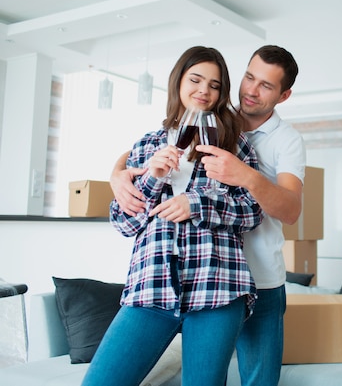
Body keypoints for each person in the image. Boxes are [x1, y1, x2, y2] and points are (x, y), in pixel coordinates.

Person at [110, 45, 304, 386]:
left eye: (266, 86)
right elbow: (126, 214)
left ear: (283, 95)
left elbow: (284, 210)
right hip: (154, 283)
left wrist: (230, 183)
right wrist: (120, 172)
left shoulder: (261, 142)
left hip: (235, 280)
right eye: (248, 78)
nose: (251, 91)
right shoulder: (162, 137)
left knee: (258, 379)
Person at [83, 46, 264, 386]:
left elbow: (253, 211)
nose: (204, 91)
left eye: (214, 85)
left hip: (217, 287)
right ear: (178, 82)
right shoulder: (146, 145)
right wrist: (152, 177)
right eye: (195, 80)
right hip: (151, 287)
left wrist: (197, 205)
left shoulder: (234, 146)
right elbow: (125, 223)